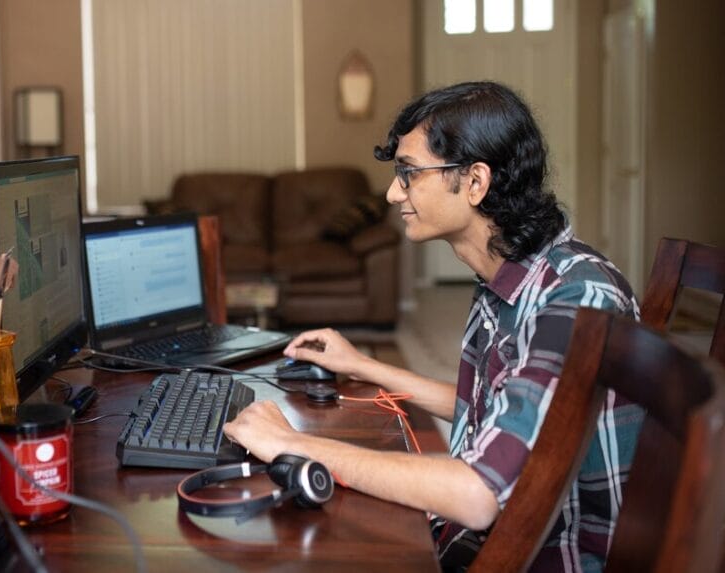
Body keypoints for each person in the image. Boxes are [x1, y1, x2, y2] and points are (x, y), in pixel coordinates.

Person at [223, 81, 642, 572]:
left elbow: (476, 493)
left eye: (409, 173)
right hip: (501, 539)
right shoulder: (511, 277)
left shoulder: (573, 301)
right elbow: (490, 405)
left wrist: (293, 443)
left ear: (474, 182)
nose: (392, 191)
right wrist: (364, 366)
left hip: (548, 558)